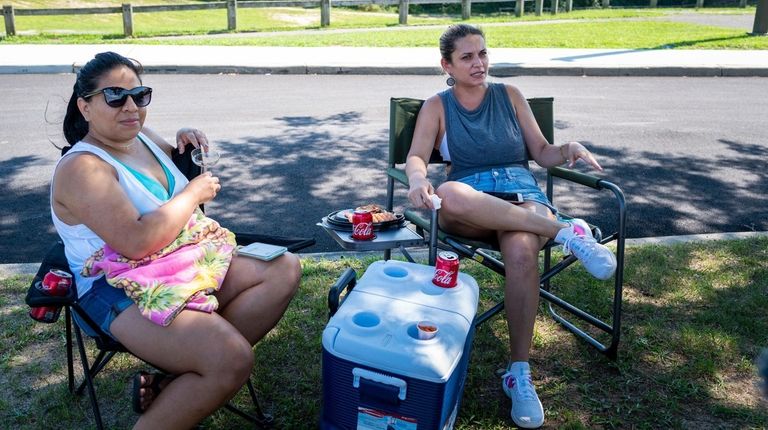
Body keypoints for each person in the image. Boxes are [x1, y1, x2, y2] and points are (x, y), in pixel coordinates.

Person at [52, 51, 302, 429]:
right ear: (85, 107)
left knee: (283, 268)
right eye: (116, 96)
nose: (131, 106)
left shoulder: (140, 136)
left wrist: (183, 144)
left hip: (179, 262)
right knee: (232, 360)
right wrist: (192, 196)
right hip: (117, 286)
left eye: (141, 95)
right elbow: (136, 242)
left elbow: (173, 171)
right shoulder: (82, 168)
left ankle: (176, 381)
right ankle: (209, 366)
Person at [405, 24, 617, 429]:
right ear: (446, 64)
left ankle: (518, 372)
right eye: (466, 57)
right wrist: (418, 179)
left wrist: (567, 148)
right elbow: (417, 156)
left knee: (521, 249)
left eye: (482, 54)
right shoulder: (438, 105)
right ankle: (566, 232)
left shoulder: (512, 96)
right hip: (470, 201)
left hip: (521, 194)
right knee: (449, 192)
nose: (478, 63)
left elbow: (542, 152)